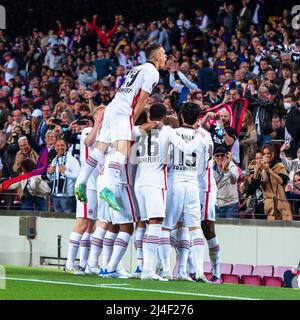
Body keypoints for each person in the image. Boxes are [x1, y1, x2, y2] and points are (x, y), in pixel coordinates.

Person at [75, 44, 167, 212]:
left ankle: (81, 182)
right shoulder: (153, 72)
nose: (166, 56)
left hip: (112, 107)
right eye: (164, 53)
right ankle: (107, 188)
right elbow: (142, 100)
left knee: (101, 148)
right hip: (123, 111)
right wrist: (131, 119)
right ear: (156, 57)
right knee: (121, 151)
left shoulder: (138, 68)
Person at [160, 103, 207, 282]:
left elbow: (165, 158)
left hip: (175, 180)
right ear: (197, 118)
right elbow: (203, 166)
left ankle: (165, 269)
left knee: (166, 225)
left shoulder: (171, 132)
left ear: (180, 115)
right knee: (194, 227)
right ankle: (200, 271)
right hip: (193, 182)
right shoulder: (202, 135)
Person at [65, 106, 104, 274]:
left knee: (91, 225)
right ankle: (69, 264)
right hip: (86, 185)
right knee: (81, 223)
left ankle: (85, 264)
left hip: (98, 185)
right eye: (102, 113)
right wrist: (98, 123)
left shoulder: (107, 132)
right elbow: (88, 142)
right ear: (95, 116)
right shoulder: (88, 130)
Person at [253, 143, 292, 221]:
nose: (267, 155)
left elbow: (282, 181)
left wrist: (269, 170)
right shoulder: (261, 169)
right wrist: (256, 171)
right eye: (264, 154)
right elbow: (256, 185)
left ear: (273, 154)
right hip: (270, 208)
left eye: (268, 153)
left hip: (282, 206)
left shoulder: (279, 165)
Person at [47, 139, 80, 213]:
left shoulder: (72, 160)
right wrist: (49, 173)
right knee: (58, 221)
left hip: (67, 196)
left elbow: (78, 176)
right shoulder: (54, 160)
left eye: (62, 145)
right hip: (55, 195)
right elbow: (51, 178)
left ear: (66, 146)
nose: (60, 148)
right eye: (58, 146)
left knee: (68, 220)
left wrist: (65, 172)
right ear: (55, 147)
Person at [213, 147, 240, 218]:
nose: (219, 157)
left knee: (230, 228)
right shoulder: (212, 168)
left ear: (226, 156)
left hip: (230, 206)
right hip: (217, 205)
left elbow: (233, 180)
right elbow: (215, 182)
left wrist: (226, 170)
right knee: (217, 228)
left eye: (222, 155)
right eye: (217, 155)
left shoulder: (232, 166)